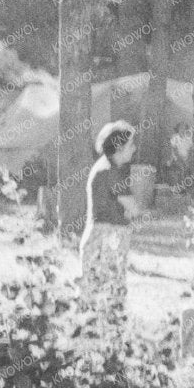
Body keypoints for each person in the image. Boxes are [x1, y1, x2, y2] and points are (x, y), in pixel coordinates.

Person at [82, 120, 141, 314]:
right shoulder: (112, 172)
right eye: (131, 145)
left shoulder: (103, 167)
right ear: (119, 148)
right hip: (109, 237)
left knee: (95, 292)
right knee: (111, 294)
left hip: (98, 236)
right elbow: (132, 207)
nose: (134, 149)